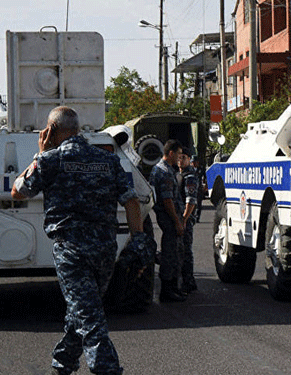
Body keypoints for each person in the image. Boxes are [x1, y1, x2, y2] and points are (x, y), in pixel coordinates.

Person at [11, 106, 144, 375]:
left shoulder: (50, 161)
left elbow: (17, 191)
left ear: (50, 131)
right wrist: (138, 240)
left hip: (71, 252)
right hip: (105, 250)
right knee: (85, 310)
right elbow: (131, 200)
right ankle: (62, 364)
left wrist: (40, 154)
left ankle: (106, 369)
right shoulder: (106, 160)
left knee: (90, 317)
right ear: (78, 129)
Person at [149, 139, 186, 302]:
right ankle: (167, 290)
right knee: (170, 254)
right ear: (170, 153)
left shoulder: (161, 169)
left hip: (169, 217)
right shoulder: (163, 172)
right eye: (178, 154)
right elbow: (167, 200)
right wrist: (177, 221)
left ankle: (172, 288)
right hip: (169, 217)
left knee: (173, 252)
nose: (179, 157)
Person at [177, 148, 199, 293]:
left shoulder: (189, 175)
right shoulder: (179, 174)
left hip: (185, 218)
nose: (180, 160)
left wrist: (184, 219)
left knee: (185, 251)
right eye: (179, 157)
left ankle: (189, 281)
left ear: (189, 159)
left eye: (183, 157)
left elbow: (191, 200)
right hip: (179, 217)